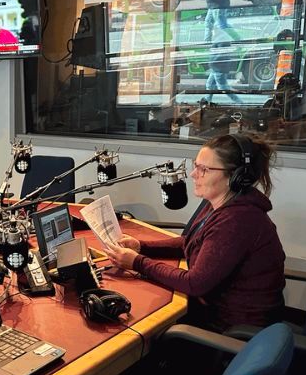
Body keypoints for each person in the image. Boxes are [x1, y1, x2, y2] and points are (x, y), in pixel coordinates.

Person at [103, 133, 285, 332]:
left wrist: (137, 262)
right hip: (212, 309)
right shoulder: (220, 203)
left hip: (233, 327)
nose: (193, 174)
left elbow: (195, 283)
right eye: (195, 165)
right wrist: (141, 246)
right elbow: (191, 242)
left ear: (235, 176)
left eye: (204, 169)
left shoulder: (238, 219)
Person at [205, 41, 242, 105]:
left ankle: (239, 102)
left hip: (219, 68)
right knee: (210, 85)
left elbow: (222, 54)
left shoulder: (222, 40)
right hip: (216, 68)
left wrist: (212, 62)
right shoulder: (219, 39)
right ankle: (207, 101)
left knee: (223, 87)